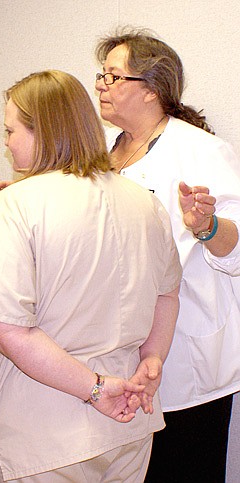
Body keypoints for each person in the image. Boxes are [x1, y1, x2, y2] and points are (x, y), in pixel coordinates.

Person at [0, 70, 182, 482]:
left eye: (11, 131)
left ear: (42, 131)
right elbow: (167, 295)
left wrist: (96, 389)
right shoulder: (144, 203)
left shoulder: (17, 204)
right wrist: (152, 359)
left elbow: (7, 329)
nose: (6, 143)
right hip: (128, 426)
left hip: (46, 435)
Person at [95, 28, 240, 482]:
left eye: (113, 76)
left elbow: (236, 247)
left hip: (187, 357)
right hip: (116, 351)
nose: (101, 85)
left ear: (152, 89)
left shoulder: (200, 150)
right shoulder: (103, 152)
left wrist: (207, 226)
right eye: (101, 76)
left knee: (184, 469)